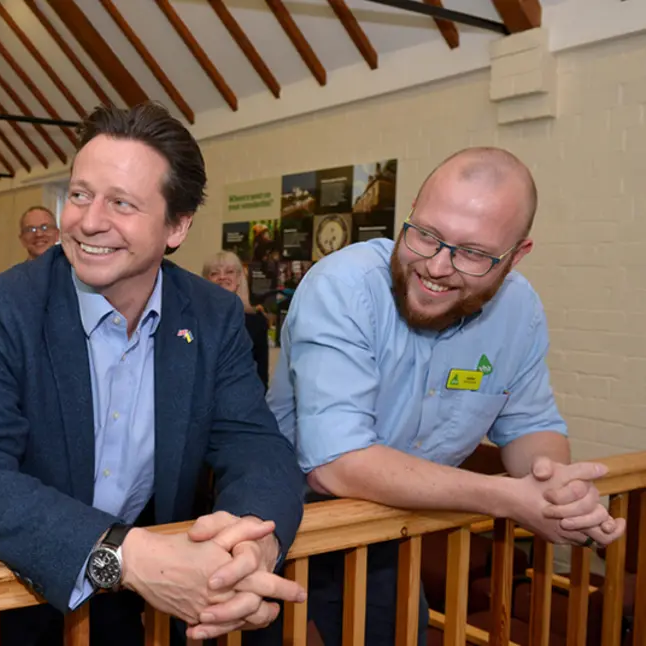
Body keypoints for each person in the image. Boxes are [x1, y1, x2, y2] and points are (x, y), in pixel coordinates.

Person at [0, 102, 307, 646]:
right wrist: (124, 553)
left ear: (177, 226)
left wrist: (250, 548)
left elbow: (258, 447)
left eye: (122, 203)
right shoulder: (1, 307)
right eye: (80, 194)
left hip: (121, 614)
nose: (89, 221)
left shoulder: (212, 317)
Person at [266, 147, 626, 646]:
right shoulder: (344, 286)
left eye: (474, 254)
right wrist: (507, 498)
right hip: (279, 519)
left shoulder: (519, 310)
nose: (437, 266)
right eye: (427, 235)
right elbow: (337, 463)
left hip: (390, 523)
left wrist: (556, 487)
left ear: (517, 255)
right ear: (410, 211)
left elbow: (529, 428)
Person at [203, 250, 271, 390]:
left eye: (229, 272)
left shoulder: (257, 323)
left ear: (240, 278)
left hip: (243, 402)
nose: (222, 277)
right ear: (205, 280)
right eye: (214, 273)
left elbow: (261, 376)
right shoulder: (194, 320)